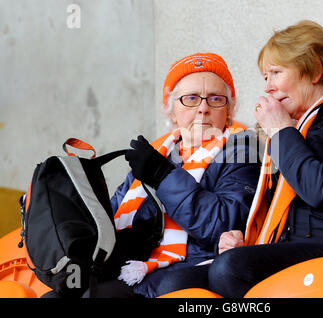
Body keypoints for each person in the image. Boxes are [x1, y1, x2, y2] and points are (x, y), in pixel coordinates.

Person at [161, 20, 323, 298]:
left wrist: (282, 131)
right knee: (177, 284)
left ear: (315, 71)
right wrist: (244, 237)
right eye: (265, 78)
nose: (268, 87)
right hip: (296, 245)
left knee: (231, 269)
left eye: (275, 73)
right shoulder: (296, 129)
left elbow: (322, 190)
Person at [42, 53, 261, 298]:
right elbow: (112, 222)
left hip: (186, 269)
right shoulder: (159, 153)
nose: (203, 108)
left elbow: (224, 223)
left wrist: (163, 177)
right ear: (171, 111)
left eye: (216, 99)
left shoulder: (242, 151)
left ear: (229, 110)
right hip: (130, 267)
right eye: (190, 99)